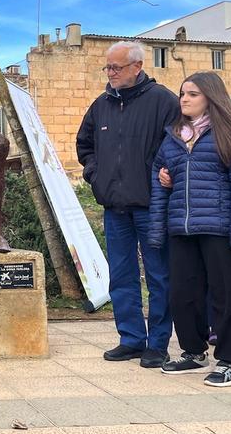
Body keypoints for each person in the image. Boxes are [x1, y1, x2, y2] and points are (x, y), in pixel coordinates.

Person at [76, 40, 179, 368]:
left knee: (159, 275)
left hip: (152, 206)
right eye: (107, 67)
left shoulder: (164, 101)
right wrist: (96, 175)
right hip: (115, 207)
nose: (111, 73)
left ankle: (158, 343)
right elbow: (84, 144)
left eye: (116, 68)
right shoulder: (101, 105)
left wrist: (162, 177)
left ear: (137, 67)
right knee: (121, 275)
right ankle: (131, 338)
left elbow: (179, 145)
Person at [149, 71, 231, 386]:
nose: (184, 99)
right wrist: (157, 229)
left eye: (192, 94)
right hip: (182, 229)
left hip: (218, 228)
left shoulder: (230, 136)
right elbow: (159, 181)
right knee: (183, 294)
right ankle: (194, 353)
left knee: (225, 295)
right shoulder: (172, 138)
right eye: (182, 93)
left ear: (211, 96)